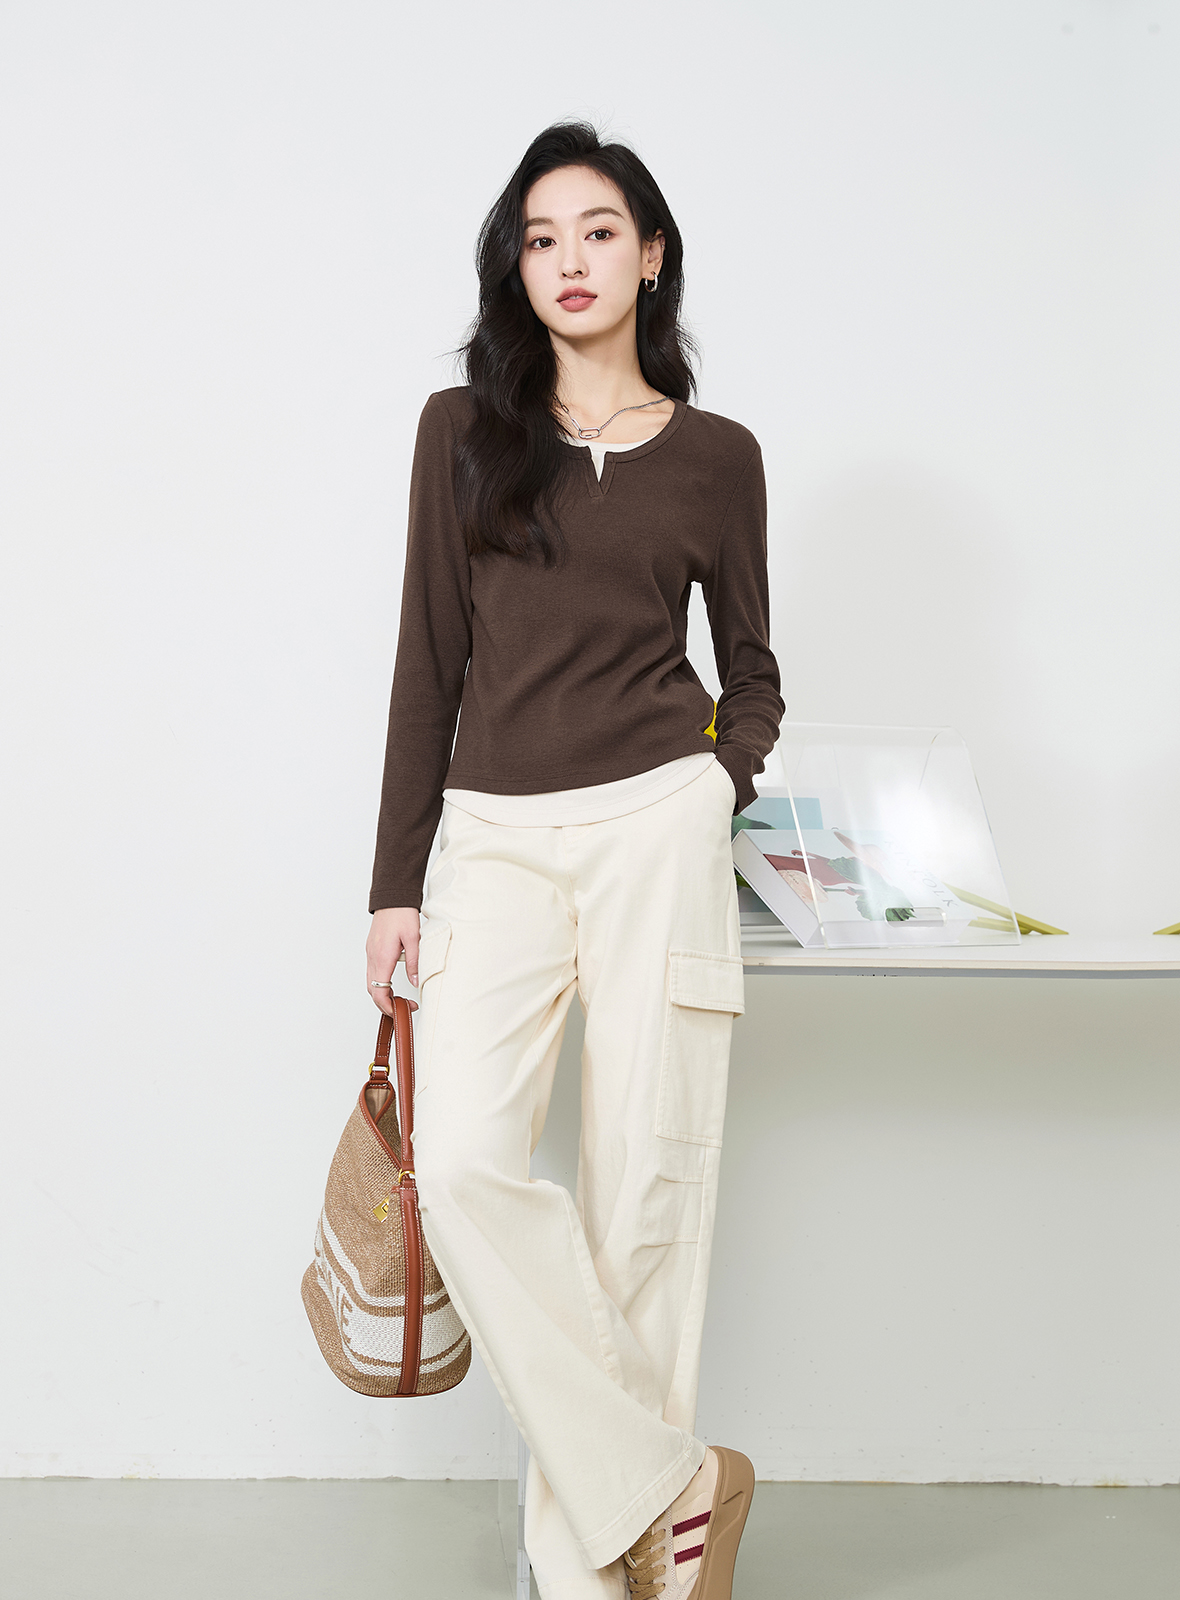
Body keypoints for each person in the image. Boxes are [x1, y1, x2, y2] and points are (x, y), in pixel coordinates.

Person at [364, 120, 784, 1600]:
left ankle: (602, 1569)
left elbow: (752, 670)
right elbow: (428, 660)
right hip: (494, 834)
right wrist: (395, 882)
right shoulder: (461, 432)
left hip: (656, 826)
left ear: (651, 255)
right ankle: (679, 1485)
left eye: (598, 231)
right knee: (466, 1166)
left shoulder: (719, 459)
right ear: (517, 270)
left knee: (645, 1188)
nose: (570, 261)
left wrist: (712, 787)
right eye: (540, 240)